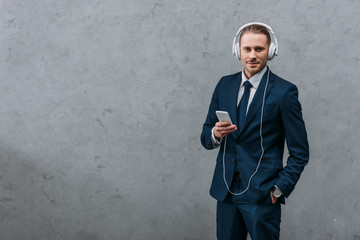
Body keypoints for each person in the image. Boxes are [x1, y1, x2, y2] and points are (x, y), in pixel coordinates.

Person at [200, 22, 309, 240]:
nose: (252, 55)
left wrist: (278, 190)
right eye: (247, 49)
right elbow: (205, 135)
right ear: (237, 50)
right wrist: (215, 134)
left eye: (259, 49)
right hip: (226, 192)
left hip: (263, 195)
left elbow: (300, 153)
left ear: (271, 51)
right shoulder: (225, 85)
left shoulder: (284, 92)